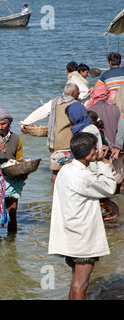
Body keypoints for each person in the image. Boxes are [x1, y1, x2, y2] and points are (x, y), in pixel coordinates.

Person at [48, 132, 115, 300]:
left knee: (75, 281)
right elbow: (109, 187)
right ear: (88, 152)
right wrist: (102, 163)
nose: (97, 151)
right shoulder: (83, 176)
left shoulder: (66, 170)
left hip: (70, 233)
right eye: (95, 149)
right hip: (83, 237)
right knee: (81, 284)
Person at [20, 83, 81, 181]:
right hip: (70, 143)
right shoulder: (76, 104)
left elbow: (40, 112)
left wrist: (25, 123)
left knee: (56, 171)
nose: (79, 95)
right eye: (78, 93)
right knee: (72, 171)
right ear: (74, 93)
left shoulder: (54, 102)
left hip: (56, 143)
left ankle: (54, 193)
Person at [87, 85, 124, 193]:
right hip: (115, 152)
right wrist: (117, 147)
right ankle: (116, 206)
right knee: (117, 179)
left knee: (99, 181)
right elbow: (121, 130)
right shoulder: (116, 109)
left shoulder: (89, 110)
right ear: (107, 95)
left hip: (98, 153)